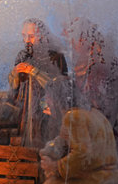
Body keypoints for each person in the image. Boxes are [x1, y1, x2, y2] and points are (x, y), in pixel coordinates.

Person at [8, 18, 71, 148]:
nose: (26, 41)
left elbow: (60, 87)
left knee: (47, 145)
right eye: (24, 36)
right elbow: (14, 87)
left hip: (48, 112)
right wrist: (14, 74)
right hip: (26, 110)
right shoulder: (22, 55)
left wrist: (34, 72)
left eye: (31, 36)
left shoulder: (55, 56)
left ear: (41, 35)